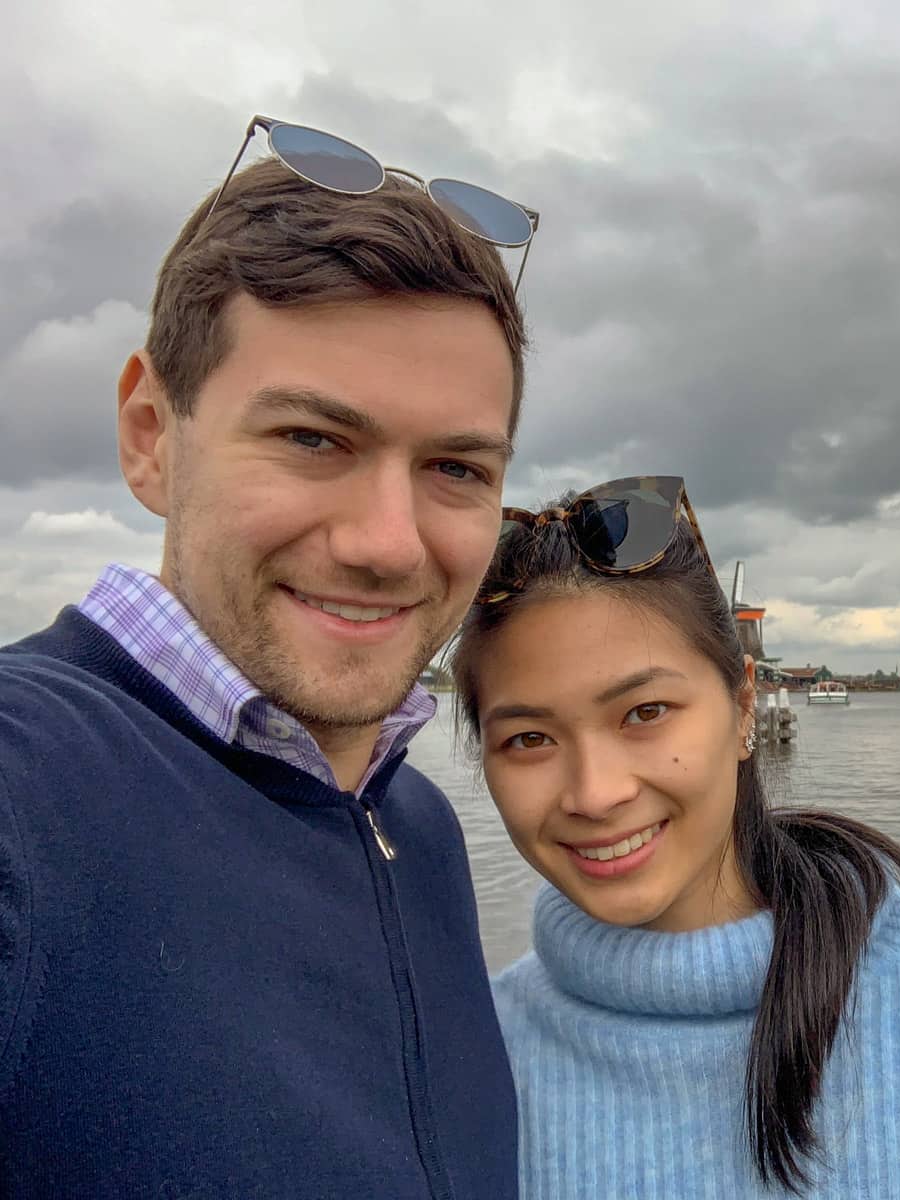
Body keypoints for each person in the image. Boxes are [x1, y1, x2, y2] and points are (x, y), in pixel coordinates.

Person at [0, 118, 536, 1197]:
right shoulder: (27, 784)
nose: (388, 542)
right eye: (312, 440)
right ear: (152, 431)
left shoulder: (415, 827)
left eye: (456, 468)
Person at [449, 477, 900, 1199]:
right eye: (529, 737)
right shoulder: (473, 1060)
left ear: (745, 704)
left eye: (645, 711)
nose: (595, 793)